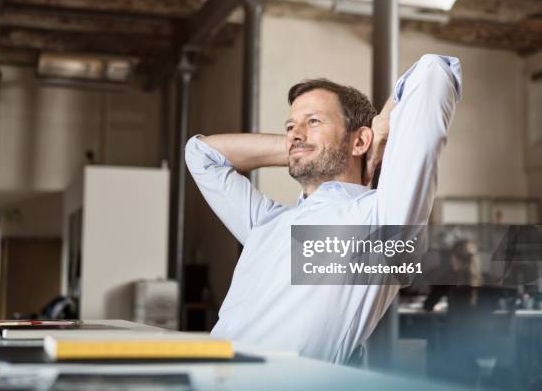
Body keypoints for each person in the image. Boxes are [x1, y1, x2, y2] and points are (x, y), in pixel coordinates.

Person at [185, 54, 462, 364]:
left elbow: (435, 71)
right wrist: (301, 148)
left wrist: (379, 128)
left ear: (360, 141)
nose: (294, 132)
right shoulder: (266, 221)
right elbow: (200, 154)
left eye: (313, 121)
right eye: (291, 126)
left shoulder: (381, 219)